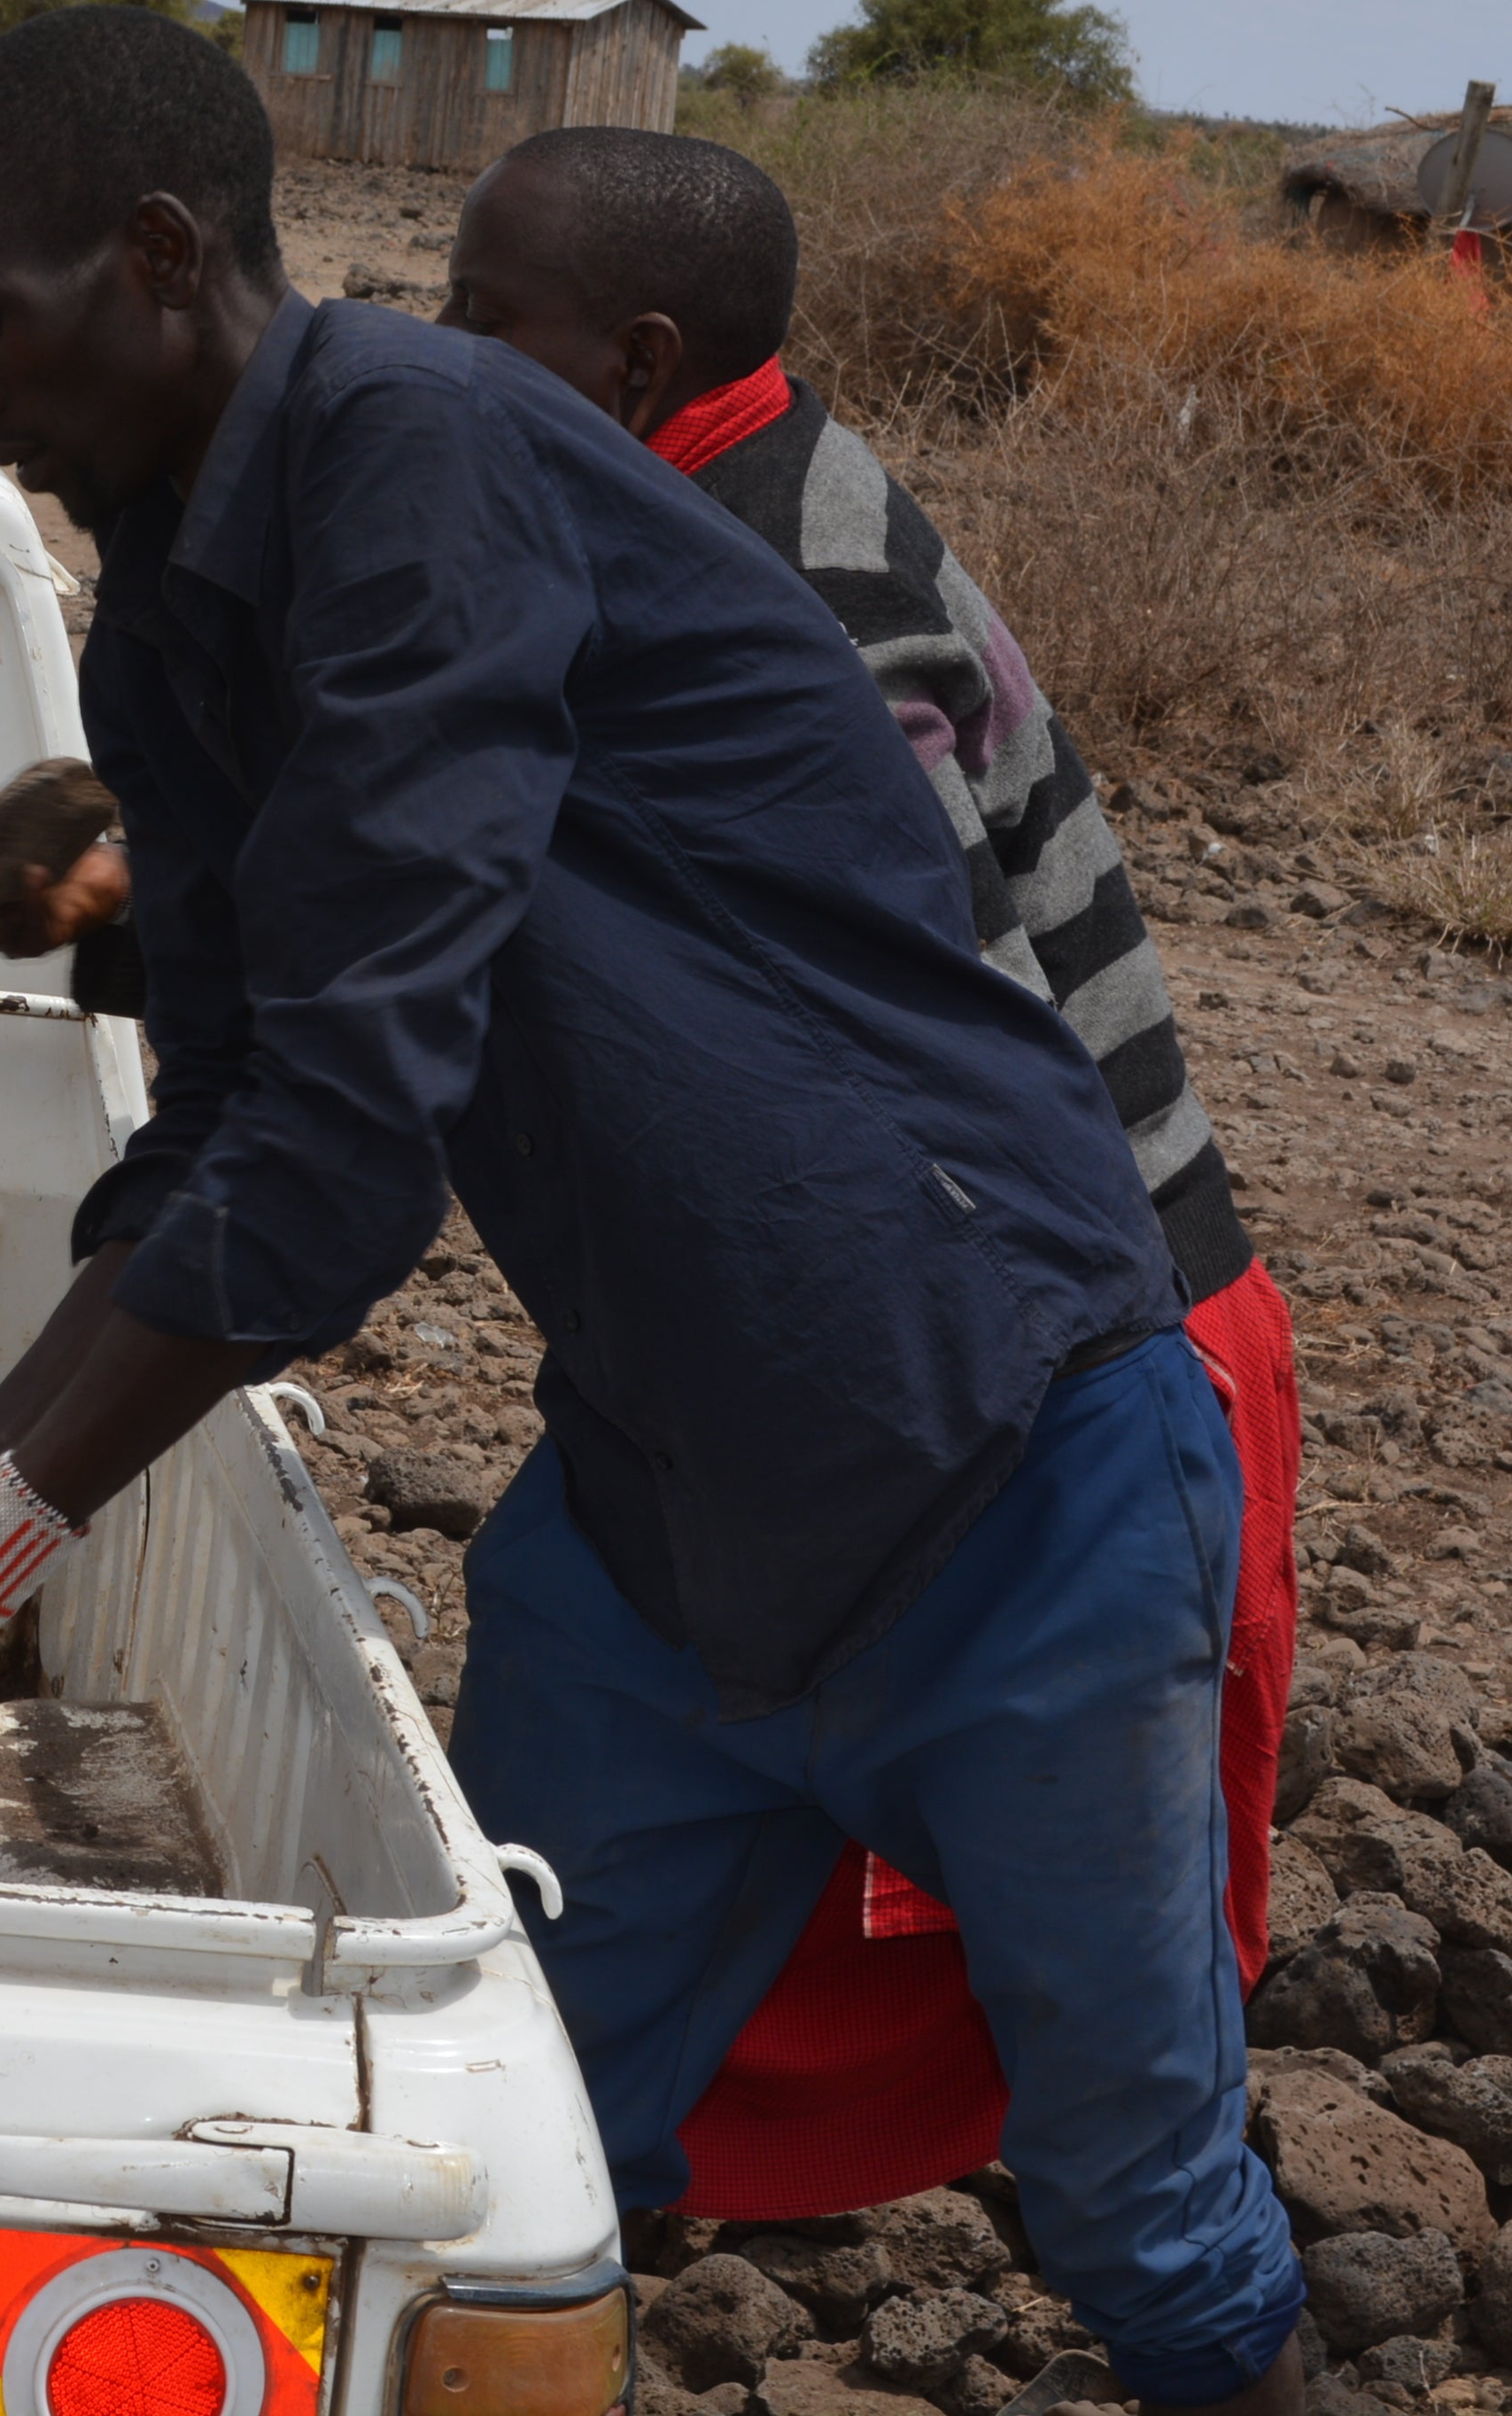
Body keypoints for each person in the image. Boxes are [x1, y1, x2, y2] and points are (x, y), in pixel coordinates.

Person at [0, 5, 1305, 2416]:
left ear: (159, 259)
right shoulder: (180, 607)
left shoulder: (422, 455)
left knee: (1139, 2202)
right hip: (658, 1520)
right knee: (497, 2151)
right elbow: (225, 1120)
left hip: (997, 1446)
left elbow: (345, 1152)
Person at [431, 125, 1304, 2220]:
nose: (444, 361)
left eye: (484, 323)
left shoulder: (777, 598)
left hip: (1041, 1380)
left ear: (638, 360)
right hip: (947, 1358)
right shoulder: (705, 503)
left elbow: (906, 1080)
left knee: (1098, 2047)